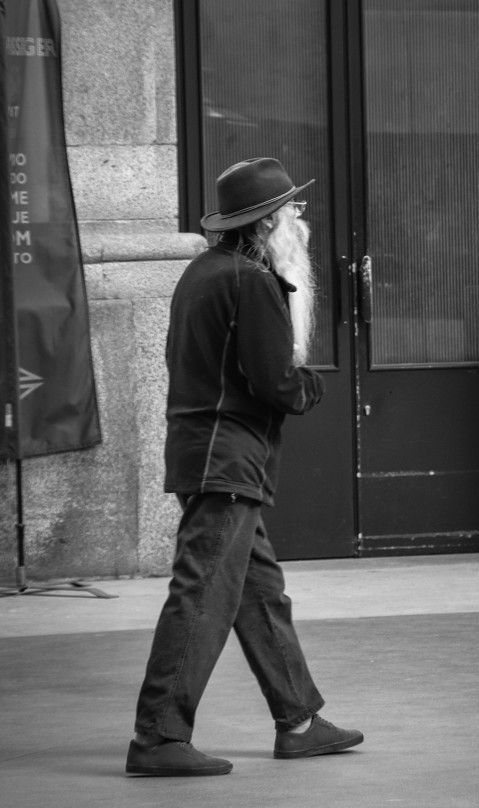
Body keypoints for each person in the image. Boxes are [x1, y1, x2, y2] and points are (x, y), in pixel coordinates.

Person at [125, 157, 363, 777]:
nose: (300, 221)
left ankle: (300, 721)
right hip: (226, 458)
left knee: (259, 594)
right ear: (265, 223)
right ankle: (158, 735)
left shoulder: (203, 271)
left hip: (208, 453)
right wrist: (310, 387)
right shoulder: (251, 281)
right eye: (292, 211)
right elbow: (273, 381)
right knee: (202, 592)